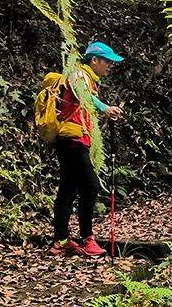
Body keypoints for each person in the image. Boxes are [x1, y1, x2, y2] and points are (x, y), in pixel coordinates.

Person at [49, 42, 124, 257]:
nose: (110, 66)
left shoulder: (88, 78)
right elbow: (83, 95)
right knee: (90, 186)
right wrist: (105, 107)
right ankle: (87, 239)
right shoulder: (79, 74)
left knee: (68, 189)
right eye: (107, 61)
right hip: (72, 140)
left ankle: (61, 240)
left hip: (72, 139)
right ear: (94, 60)